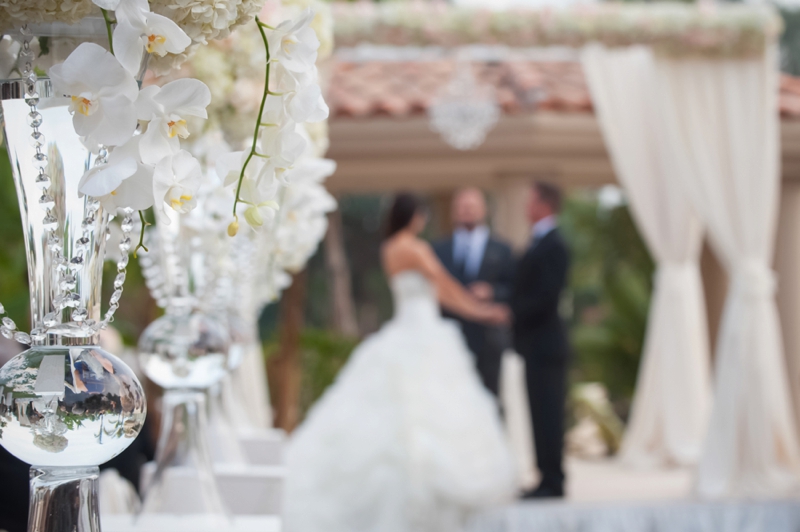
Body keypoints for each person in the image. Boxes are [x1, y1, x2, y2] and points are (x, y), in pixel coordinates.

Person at [283, 193, 517, 532]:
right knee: (427, 413)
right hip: (424, 332)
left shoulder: (389, 249)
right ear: (416, 217)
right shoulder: (416, 248)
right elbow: (446, 289)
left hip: (405, 326)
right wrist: (483, 311)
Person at [511, 181, 571, 499]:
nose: (525, 207)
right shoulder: (538, 242)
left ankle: (553, 479)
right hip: (534, 346)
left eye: (529, 201)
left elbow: (545, 296)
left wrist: (508, 311)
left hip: (547, 346)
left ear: (544, 205)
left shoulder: (554, 245)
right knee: (538, 412)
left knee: (549, 413)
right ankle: (545, 476)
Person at [433, 188, 515, 397]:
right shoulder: (439, 250)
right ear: (453, 212)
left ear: (484, 210)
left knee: (490, 398)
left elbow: (515, 289)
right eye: (461, 207)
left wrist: (492, 292)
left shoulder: (503, 250)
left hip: (489, 341)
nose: (466, 211)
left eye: (471, 206)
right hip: (451, 338)